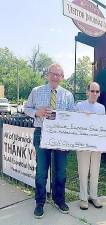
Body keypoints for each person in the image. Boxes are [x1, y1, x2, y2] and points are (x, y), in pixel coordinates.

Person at [24, 63, 74, 218]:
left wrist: (68, 140)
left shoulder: (68, 95)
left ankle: (59, 200)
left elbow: (72, 117)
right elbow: (26, 108)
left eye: (58, 74)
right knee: (41, 171)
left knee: (61, 171)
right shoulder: (36, 91)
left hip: (61, 136)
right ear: (47, 74)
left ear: (62, 77)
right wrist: (37, 112)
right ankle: (40, 202)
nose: (55, 77)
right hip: (41, 133)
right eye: (53, 73)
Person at [75, 82, 106, 210]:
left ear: (99, 93)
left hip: (96, 145)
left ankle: (93, 196)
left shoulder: (101, 108)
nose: (94, 94)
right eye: (92, 91)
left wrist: (103, 144)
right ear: (87, 92)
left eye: (97, 91)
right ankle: (83, 198)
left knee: (95, 171)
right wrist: (84, 118)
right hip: (83, 144)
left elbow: (103, 126)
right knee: (83, 171)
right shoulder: (80, 105)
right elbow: (74, 123)